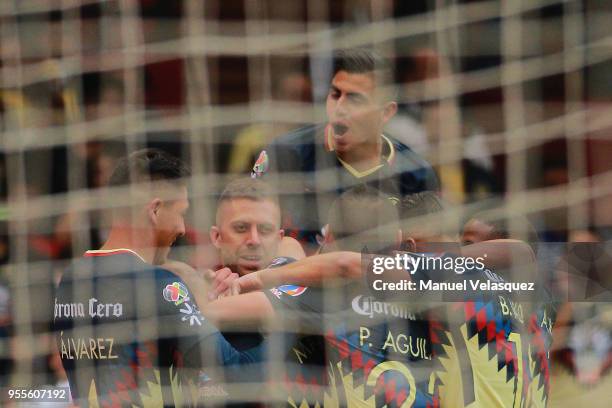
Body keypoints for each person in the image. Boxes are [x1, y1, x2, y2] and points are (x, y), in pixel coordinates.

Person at [53, 149, 261, 407]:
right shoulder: (158, 284)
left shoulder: (71, 278)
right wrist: (286, 304)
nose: (183, 229)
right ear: (154, 210)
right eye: (181, 213)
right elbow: (237, 371)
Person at [258, 48, 439, 251]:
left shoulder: (416, 174)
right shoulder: (285, 154)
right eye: (335, 94)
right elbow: (247, 232)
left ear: (386, 112)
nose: (340, 107)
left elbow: (434, 261)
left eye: (355, 99)